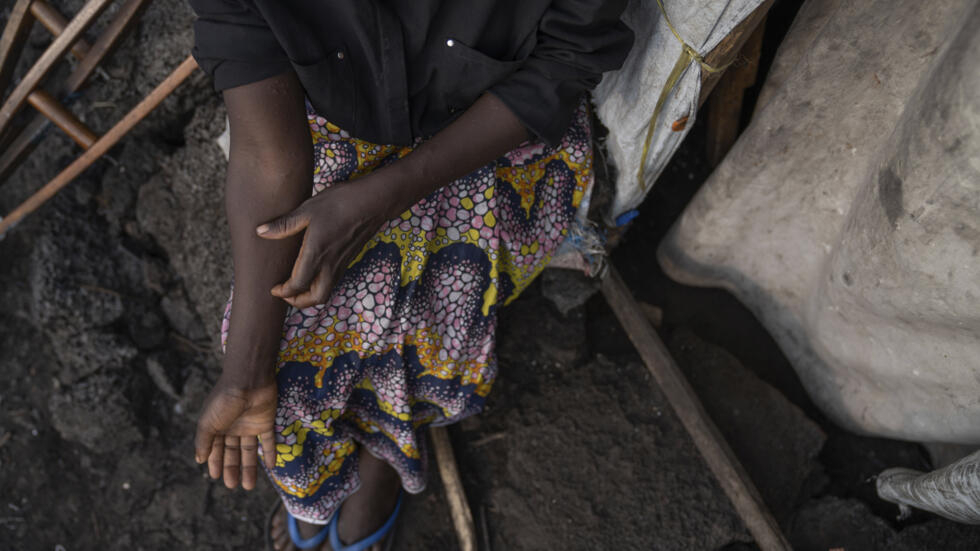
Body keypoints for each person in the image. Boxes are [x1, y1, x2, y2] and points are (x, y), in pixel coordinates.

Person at [186, 1, 633, 549]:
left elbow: (566, 60)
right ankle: (329, 467)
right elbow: (266, 154)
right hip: (335, 128)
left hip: (498, 141)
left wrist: (388, 196)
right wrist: (246, 374)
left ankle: (383, 451)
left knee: (434, 323)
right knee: (278, 364)